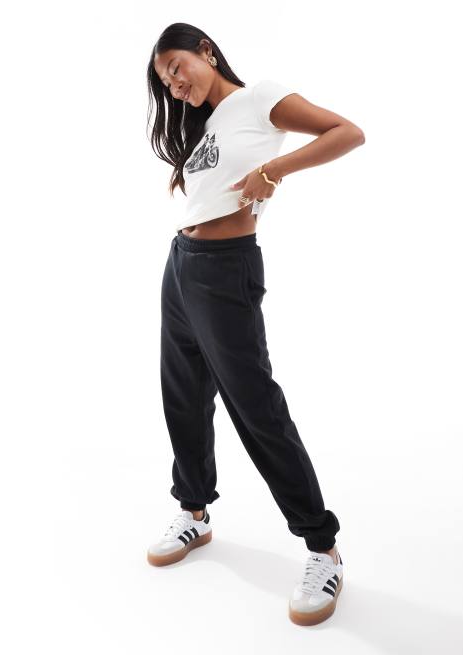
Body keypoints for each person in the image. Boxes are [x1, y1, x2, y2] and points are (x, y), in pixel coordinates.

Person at [145, 22, 365, 626]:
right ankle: (194, 512)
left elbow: (348, 132)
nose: (174, 84)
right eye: (165, 81)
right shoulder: (204, 125)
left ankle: (322, 547)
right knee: (183, 395)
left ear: (206, 51)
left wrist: (276, 170)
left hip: (226, 270)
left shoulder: (260, 98)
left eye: (177, 67)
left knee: (256, 407)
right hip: (181, 263)